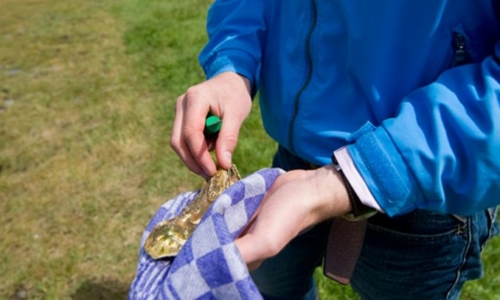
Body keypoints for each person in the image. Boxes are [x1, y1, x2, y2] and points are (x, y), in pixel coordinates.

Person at [170, 1, 500, 299]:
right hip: (292, 167)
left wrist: (368, 173)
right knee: (268, 287)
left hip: (423, 185)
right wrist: (233, 66)